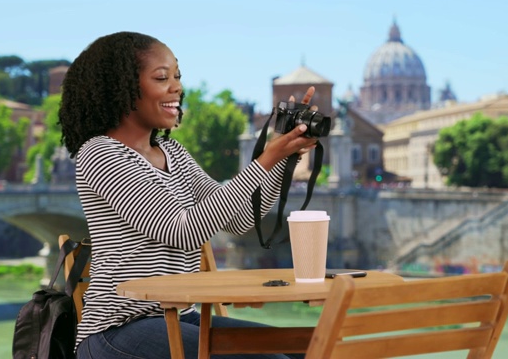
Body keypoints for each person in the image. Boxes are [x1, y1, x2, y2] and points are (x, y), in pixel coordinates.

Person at [58, 31, 319, 359]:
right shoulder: (101, 154)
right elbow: (181, 230)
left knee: (310, 347)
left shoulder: (172, 152)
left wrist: (284, 157)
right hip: (119, 328)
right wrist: (265, 158)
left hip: (179, 316)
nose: (177, 87)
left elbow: (242, 219)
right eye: (161, 77)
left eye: (177, 76)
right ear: (122, 88)